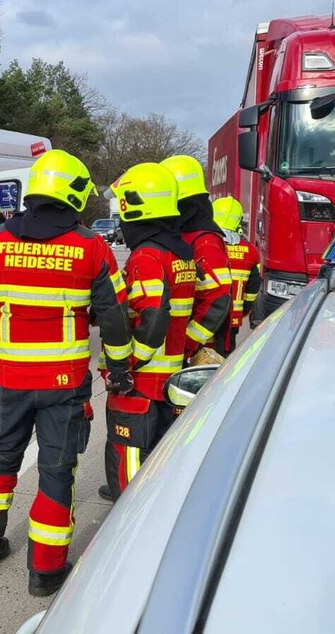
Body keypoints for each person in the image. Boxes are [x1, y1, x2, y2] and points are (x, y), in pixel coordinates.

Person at [0, 149, 132, 596]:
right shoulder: (91, 246)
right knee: (56, 470)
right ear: (71, 194)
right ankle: (45, 572)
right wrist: (119, 368)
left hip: (8, 380)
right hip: (63, 386)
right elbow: (114, 315)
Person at [99, 163, 196, 502]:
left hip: (142, 383)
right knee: (160, 457)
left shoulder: (147, 256)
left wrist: (125, 366)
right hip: (170, 376)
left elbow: (153, 319)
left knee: (129, 461)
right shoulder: (180, 253)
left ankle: (126, 535)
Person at [161, 155, 231, 361]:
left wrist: (187, 342)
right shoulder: (187, 233)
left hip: (200, 353)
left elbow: (218, 296)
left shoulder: (203, 240)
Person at [211, 196, 261, 356]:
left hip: (204, 317)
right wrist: (243, 311)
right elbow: (253, 291)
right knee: (224, 362)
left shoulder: (206, 246)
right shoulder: (251, 252)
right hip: (232, 320)